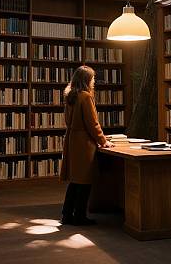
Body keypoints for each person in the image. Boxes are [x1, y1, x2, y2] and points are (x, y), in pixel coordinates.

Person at [60, 65, 114, 225]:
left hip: (72, 140)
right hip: (84, 143)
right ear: (86, 80)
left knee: (75, 180)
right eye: (92, 78)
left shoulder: (70, 95)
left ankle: (67, 214)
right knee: (85, 181)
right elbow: (92, 123)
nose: (94, 81)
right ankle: (79, 216)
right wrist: (103, 141)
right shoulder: (85, 97)